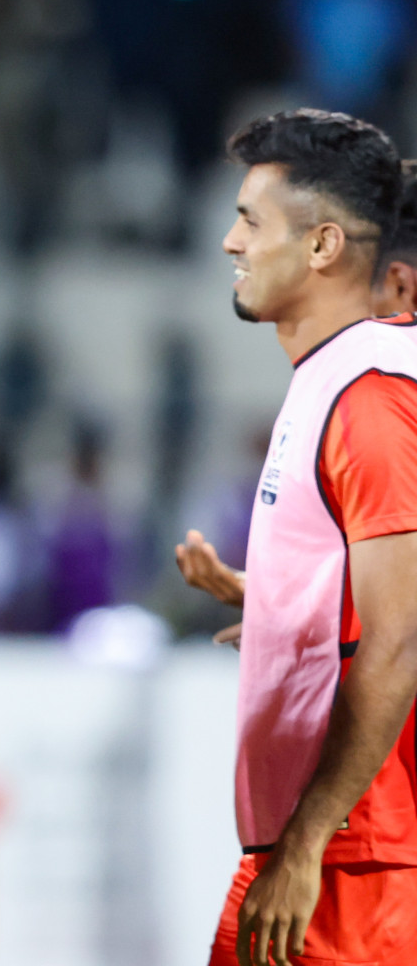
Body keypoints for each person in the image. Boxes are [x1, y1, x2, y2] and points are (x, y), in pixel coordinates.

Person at [203, 110, 417, 966]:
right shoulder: (331, 378)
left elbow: (398, 639)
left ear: (324, 245)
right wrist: (278, 613)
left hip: (349, 859)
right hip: (320, 846)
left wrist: (307, 847)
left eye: (252, 219)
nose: (230, 241)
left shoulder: (370, 398)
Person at [177, 158, 417, 648]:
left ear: (399, 288)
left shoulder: (378, 405)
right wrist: (299, 615)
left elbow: (399, 639)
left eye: (346, 293)